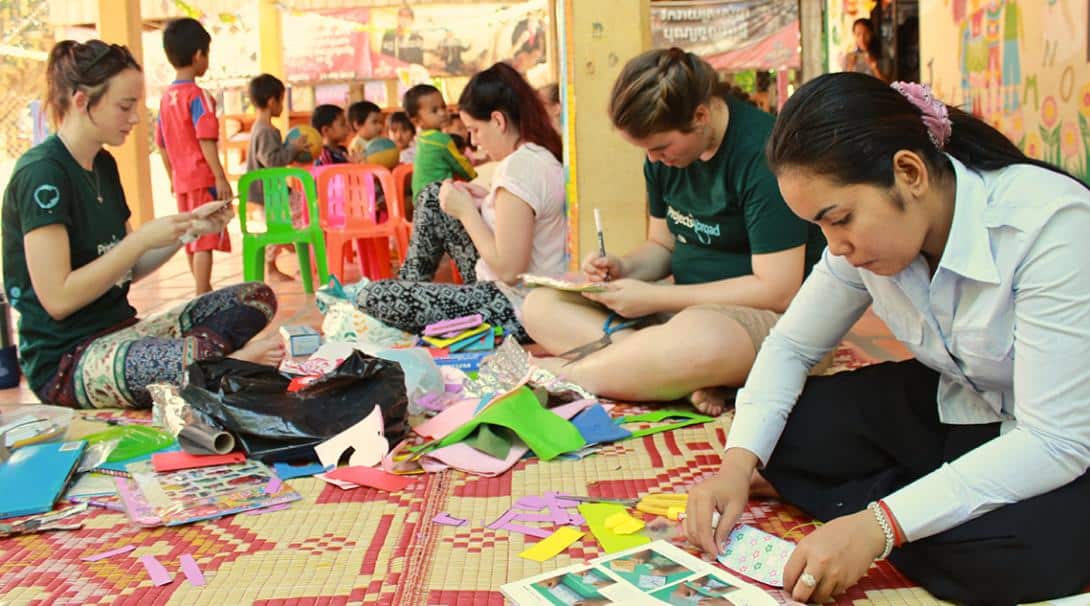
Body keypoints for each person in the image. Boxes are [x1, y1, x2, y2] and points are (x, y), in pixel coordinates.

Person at [684, 73, 1090, 605]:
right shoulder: (865, 244)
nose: (837, 247)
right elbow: (790, 347)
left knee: (1006, 557)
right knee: (774, 432)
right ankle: (909, 499)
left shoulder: (1049, 226)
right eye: (820, 228)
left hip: (1064, 441)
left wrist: (879, 525)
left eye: (840, 219)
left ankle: (885, 506)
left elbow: (1055, 440)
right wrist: (735, 467)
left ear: (909, 172)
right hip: (967, 405)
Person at [522, 48, 826, 415]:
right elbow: (662, 245)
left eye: (661, 147)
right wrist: (624, 268)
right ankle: (655, 369)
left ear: (700, 116)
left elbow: (777, 290)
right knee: (539, 305)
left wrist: (654, 298)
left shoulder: (764, 156)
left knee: (704, 340)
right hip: (678, 316)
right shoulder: (665, 158)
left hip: (764, 322)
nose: (653, 159)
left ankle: (571, 374)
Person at [2, 40, 283, 410]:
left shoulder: (103, 165)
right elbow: (58, 299)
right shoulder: (43, 175)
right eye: (125, 105)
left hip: (123, 333)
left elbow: (127, 270)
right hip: (68, 362)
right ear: (83, 101)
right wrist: (139, 241)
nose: (136, 117)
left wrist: (191, 229)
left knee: (256, 297)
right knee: (177, 358)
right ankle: (231, 366)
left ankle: (210, 365)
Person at [354, 62, 565, 341]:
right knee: (433, 196)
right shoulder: (535, 155)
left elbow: (510, 270)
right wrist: (488, 202)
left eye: (475, 130)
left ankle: (406, 301)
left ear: (498, 121)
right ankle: (411, 287)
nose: (474, 141)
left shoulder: (520, 169)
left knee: (370, 295)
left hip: (513, 307)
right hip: (502, 290)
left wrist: (467, 213)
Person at [156, 17, 231, 295]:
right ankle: (203, 292)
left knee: (190, 235)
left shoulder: (165, 100)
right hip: (202, 176)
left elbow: (161, 144)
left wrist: (171, 177)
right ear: (199, 55)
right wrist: (220, 176)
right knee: (204, 238)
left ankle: (202, 287)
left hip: (182, 180)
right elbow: (206, 138)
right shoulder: (198, 97)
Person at [244, 73, 306, 282]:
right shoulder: (266, 131)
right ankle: (276, 263)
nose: (283, 106)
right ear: (272, 101)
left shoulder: (260, 128)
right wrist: (293, 149)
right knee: (296, 211)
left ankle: (291, 246)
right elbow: (272, 161)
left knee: (286, 216)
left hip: (268, 191)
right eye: (282, 99)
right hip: (268, 193)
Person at [404, 84, 476, 203]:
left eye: (443, 107)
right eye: (435, 110)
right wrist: (475, 177)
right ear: (417, 120)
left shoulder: (422, 138)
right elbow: (460, 164)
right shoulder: (442, 140)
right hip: (437, 200)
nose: (442, 113)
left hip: (420, 200)